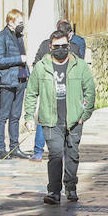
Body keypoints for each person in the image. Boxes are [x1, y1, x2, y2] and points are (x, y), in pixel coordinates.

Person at [23, 30, 96, 204]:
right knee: (55, 155)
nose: (61, 49)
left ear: (69, 46)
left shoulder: (80, 65)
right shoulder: (41, 67)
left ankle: (70, 188)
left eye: (64, 46)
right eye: (57, 46)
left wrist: (84, 115)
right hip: (50, 120)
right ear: (50, 47)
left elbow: (90, 91)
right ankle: (54, 191)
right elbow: (31, 93)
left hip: (74, 120)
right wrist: (29, 116)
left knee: (72, 155)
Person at [30, 20, 87, 161]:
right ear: (69, 34)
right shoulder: (73, 47)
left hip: (50, 90)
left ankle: (39, 151)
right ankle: (59, 151)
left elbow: (36, 62)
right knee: (62, 120)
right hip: (64, 91)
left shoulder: (45, 44)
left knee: (45, 118)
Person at [0, 10, 29, 159]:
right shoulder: (1, 37)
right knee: (4, 115)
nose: (22, 25)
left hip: (20, 79)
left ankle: (15, 147)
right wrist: (19, 58)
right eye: (19, 22)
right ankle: (1, 148)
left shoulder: (19, 37)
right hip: (7, 81)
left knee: (16, 116)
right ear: (10, 22)